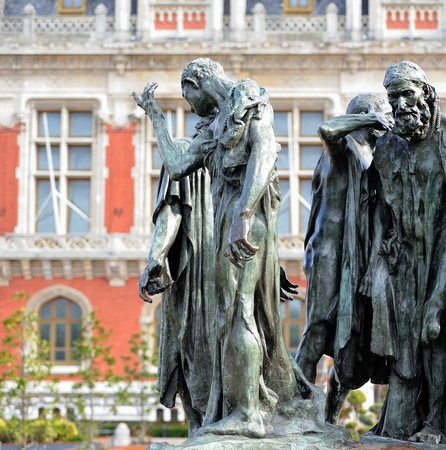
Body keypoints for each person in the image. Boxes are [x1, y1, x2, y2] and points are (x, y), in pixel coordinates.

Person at [133, 58, 324, 438]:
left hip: (244, 220)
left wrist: (244, 215)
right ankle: (244, 406)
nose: (187, 105)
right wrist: (155, 117)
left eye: (186, 94)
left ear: (195, 82)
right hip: (228, 222)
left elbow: (265, 151)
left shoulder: (245, 96)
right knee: (228, 315)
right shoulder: (216, 125)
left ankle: (249, 414)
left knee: (239, 311)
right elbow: (176, 165)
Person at [360, 61, 446, 443]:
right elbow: (379, 206)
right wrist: (381, 251)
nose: (399, 104)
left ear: (426, 94)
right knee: (405, 346)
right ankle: (403, 421)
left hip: (445, 253)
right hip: (403, 259)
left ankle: (438, 424)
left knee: (436, 332)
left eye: (407, 93)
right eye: (392, 96)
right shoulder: (389, 145)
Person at [295, 93, 393, 422]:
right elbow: (327, 129)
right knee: (319, 328)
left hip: (360, 255)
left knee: (351, 341)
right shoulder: (343, 147)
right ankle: (296, 413)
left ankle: (327, 418)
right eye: (385, 112)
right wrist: (369, 120)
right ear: (365, 115)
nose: (391, 117)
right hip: (329, 252)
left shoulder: (374, 155)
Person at [137, 113, 215, 435]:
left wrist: (155, 258)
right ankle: (215, 429)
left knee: (186, 348)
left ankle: (200, 432)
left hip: (193, 265)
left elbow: (172, 208)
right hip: (229, 262)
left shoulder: (184, 152)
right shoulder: (235, 158)